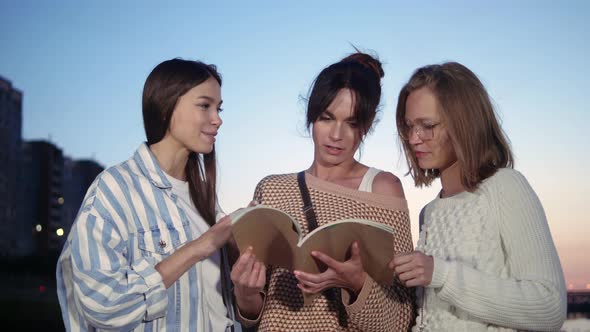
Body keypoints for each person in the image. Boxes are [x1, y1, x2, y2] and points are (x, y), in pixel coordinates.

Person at [231, 52, 416, 331]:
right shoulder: (272, 189)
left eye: (352, 123)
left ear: (367, 125)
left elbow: (401, 319)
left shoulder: (383, 189)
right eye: (327, 118)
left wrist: (356, 284)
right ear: (312, 117)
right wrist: (245, 293)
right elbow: (255, 314)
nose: (336, 135)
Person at [56, 58, 236, 331]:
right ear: (166, 106)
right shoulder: (115, 190)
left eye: (219, 108)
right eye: (205, 105)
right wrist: (199, 248)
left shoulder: (207, 201)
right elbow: (104, 306)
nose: (218, 119)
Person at [390, 62, 567, 331]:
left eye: (427, 125)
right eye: (409, 126)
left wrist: (442, 274)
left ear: (465, 124)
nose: (414, 138)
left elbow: (550, 307)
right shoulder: (430, 211)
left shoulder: (506, 187)